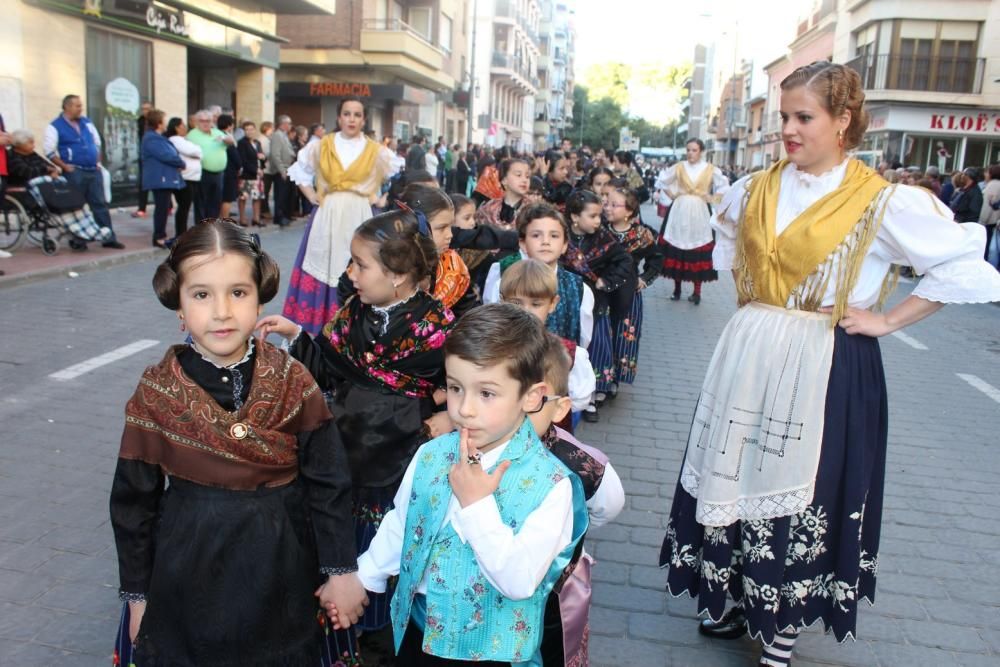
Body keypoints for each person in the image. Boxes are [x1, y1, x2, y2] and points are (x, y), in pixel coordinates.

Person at [660, 61, 1000, 667]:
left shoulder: (884, 201)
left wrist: (887, 320)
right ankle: (735, 595)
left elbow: (964, 265)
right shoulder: (757, 186)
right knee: (734, 467)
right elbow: (733, 241)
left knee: (806, 486)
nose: (787, 130)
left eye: (803, 117)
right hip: (750, 350)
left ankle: (782, 625)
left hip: (825, 359)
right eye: (784, 117)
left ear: (843, 121)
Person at [109, 219, 366, 667]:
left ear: (260, 297)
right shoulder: (156, 392)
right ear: (179, 306)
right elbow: (133, 504)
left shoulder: (293, 381)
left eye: (238, 293)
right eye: (202, 294)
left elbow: (329, 482)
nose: (222, 311)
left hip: (281, 568)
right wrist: (137, 597)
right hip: (186, 573)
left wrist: (341, 571)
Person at [346, 304, 588, 665]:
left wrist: (477, 507)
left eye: (486, 393)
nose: (465, 409)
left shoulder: (552, 486)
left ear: (532, 396)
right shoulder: (431, 454)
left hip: (496, 653)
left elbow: (519, 580)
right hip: (418, 635)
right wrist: (365, 575)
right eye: (455, 388)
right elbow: (404, 521)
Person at [528, 334, 623, 665]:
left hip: (550, 599)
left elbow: (609, 503)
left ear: (558, 408)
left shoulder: (575, 460)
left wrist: (573, 525)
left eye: (530, 402)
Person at [281, 97, 394, 334]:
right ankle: (323, 326)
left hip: (360, 214)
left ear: (363, 119)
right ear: (339, 117)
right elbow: (299, 171)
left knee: (361, 263)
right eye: (346, 113)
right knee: (325, 261)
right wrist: (311, 195)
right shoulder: (322, 145)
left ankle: (355, 326)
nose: (351, 119)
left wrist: (378, 199)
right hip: (328, 214)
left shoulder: (376, 150)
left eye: (356, 114)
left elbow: (392, 177)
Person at [484, 202, 595, 350]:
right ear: (523, 243)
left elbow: (583, 339)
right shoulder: (503, 281)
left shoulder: (580, 289)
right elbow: (492, 324)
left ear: (564, 245)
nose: (545, 242)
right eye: (536, 235)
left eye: (554, 236)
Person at [500, 259, 596, 421]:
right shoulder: (491, 346)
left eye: (536, 304)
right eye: (516, 303)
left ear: (553, 303)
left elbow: (579, 400)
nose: (526, 311)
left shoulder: (569, 354)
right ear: (502, 301)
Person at [602, 185, 662, 397]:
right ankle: (601, 380)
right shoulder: (600, 231)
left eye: (614, 205)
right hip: (602, 293)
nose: (607, 208)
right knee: (603, 335)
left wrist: (644, 280)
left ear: (628, 211)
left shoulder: (641, 235)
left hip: (629, 295)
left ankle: (616, 378)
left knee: (623, 337)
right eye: (606, 203)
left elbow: (656, 260)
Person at [44, 94, 125, 249]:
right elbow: (49, 150)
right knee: (76, 206)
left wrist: (97, 161)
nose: (81, 108)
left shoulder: (86, 122)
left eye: (81, 105)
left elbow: (97, 142)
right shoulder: (55, 126)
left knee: (100, 204)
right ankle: (78, 240)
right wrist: (65, 166)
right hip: (75, 171)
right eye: (77, 106)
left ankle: (108, 238)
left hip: (93, 170)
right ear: (67, 106)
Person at [659, 138, 730, 305]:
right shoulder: (679, 167)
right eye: (688, 149)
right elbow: (663, 181)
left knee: (697, 249)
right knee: (677, 247)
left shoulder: (710, 169)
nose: (690, 153)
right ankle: (676, 289)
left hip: (700, 212)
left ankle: (697, 292)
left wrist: (712, 198)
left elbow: (725, 187)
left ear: (701, 151)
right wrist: (672, 195)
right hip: (679, 210)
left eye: (694, 150)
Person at [139, 109, 185, 248]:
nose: (165, 123)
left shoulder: (158, 137)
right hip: (160, 179)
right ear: (159, 123)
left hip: (165, 178)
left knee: (164, 207)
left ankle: (161, 235)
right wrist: (181, 162)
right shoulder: (151, 138)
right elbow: (166, 155)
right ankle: (159, 237)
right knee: (161, 208)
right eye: (163, 120)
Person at [186, 109, 231, 219]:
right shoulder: (192, 135)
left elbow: (231, 143)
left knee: (215, 203)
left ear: (212, 121)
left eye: (208, 121)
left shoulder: (218, 132)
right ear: (197, 122)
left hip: (219, 173)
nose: (206, 123)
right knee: (201, 203)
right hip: (202, 172)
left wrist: (228, 140)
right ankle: (201, 230)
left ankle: (211, 228)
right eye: (202, 121)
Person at [165, 117, 202, 234]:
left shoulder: (183, 140)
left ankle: (182, 232)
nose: (185, 128)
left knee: (185, 207)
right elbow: (195, 151)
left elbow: (199, 152)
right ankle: (181, 233)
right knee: (183, 207)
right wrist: (197, 151)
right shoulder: (175, 140)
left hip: (192, 177)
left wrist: (198, 151)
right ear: (177, 128)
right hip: (186, 177)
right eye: (183, 126)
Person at [236, 121, 266, 227]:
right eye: (246, 129)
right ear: (244, 131)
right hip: (246, 175)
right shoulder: (242, 143)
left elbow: (261, 157)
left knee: (257, 197)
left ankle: (256, 218)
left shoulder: (257, 143)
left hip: (258, 175)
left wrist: (263, 160)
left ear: (254, 130)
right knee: (243, 197)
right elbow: (243, 160)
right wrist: (255, 170)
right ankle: (242, 219)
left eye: (251, 129)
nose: (249, 131)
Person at [268, 115, 296, 227]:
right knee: (280, 195)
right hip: (282, 169)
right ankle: (279, 217)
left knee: (286, 195)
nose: (290, 126)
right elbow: (275, 154)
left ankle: (285, 215)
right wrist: (281, 170)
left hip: (288, 168)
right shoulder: (277, 135)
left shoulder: (283, 135)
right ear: (282, 124)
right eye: (288, 123)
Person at [217, 114, 242, 220]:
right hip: (229, 171)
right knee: (227, 198)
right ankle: (224, 221)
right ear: (230, 125)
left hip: (220, 169)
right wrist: (239, 166)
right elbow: (234, 154)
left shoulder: (217, 135)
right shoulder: (227, 138)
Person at [132, 101, 152, 218]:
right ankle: (142, 208)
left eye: (148, 109)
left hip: (154, 157)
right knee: (143, 182)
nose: (145, 112)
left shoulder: (156, 122)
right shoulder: (140, 121)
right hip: (144, 155)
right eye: (143, 109)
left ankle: (168, 206)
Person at [980, 164, 1000, 264]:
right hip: (994, 221)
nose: (985, 174)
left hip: (988, 222)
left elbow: (986, 207)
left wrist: (982, 221)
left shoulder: (993, 185)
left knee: (987, 248)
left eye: (987, 172)